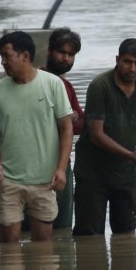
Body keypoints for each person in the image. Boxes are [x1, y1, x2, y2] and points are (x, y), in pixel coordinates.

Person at [0, 31, 74, 244]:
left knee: (43, 246)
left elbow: (66, 129)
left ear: (25, 56)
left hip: (45, 180)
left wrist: (61, 169)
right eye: (1, 56)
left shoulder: (53, 84)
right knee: (9, 244)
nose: (3, 62)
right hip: (8, 180)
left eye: (7, 56)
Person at [72, 38, 136, 237]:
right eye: (127, 62)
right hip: (92, 174)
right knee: (89, 236)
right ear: (117, 60)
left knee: (127, 235)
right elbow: (96, 135)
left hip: (126, 175)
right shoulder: (100, 86)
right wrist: (131, 155)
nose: (132, 68)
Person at [44, 27, 86, 230]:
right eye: (62, 53)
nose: (66, 59)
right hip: (38, 166)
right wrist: (71, 117)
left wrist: (72, 117)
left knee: (61, 229)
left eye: (71, 55)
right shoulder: (39, 81)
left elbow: (78, 123)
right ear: (49, 50)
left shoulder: (66, 86)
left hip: (62, 164)